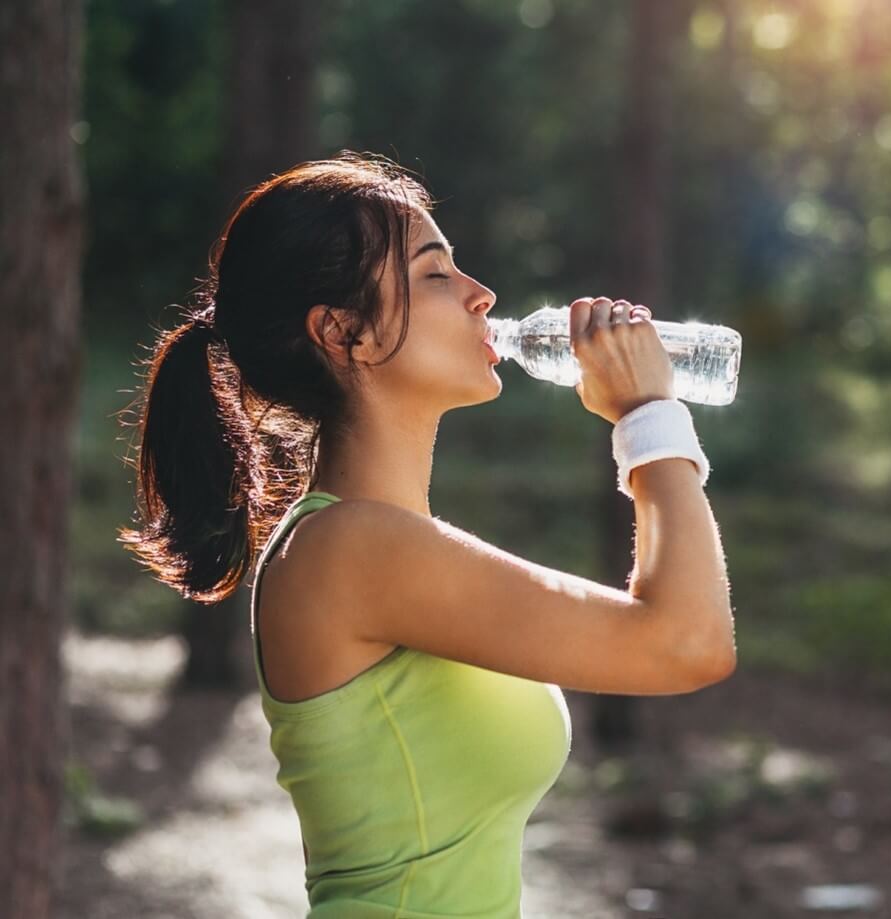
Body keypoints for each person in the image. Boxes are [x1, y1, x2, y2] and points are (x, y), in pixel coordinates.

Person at [118, 152, 735, 918]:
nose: (483, 296)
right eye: (436, 274)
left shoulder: (383, 542)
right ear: (347, 333)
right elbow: (686, 642)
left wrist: (651, 419)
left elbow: (673, 632)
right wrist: (647, 415)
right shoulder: (352, 548)